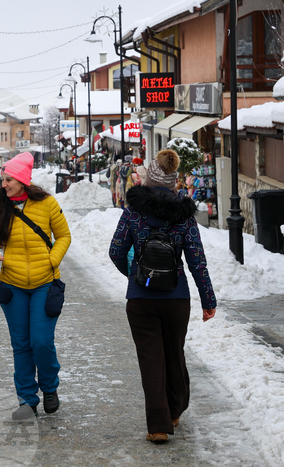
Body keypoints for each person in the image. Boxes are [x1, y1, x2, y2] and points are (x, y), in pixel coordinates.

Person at [108, 149, 217, 444]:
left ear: (150, 177)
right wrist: (209, 301)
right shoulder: (183, 215)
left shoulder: (133, 210)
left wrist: (136, 274)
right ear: (172, 182)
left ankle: (158, 426)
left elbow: (116, 250)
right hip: (176, 297)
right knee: (174, 353)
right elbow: (197, 260)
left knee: (150, 359)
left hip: (141, 300)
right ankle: (175, 408)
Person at [0, 152, 71, 420]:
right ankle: (27, 401)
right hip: (13, 285)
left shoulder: (46, 204)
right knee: (20, 344)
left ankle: (50, 388)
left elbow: (64, 236)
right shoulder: (0, 206)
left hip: (45, 283)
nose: (4, 184)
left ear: (21, 180)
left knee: (41, 341)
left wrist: (51, 259)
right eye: (3, 179)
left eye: (8, 179)